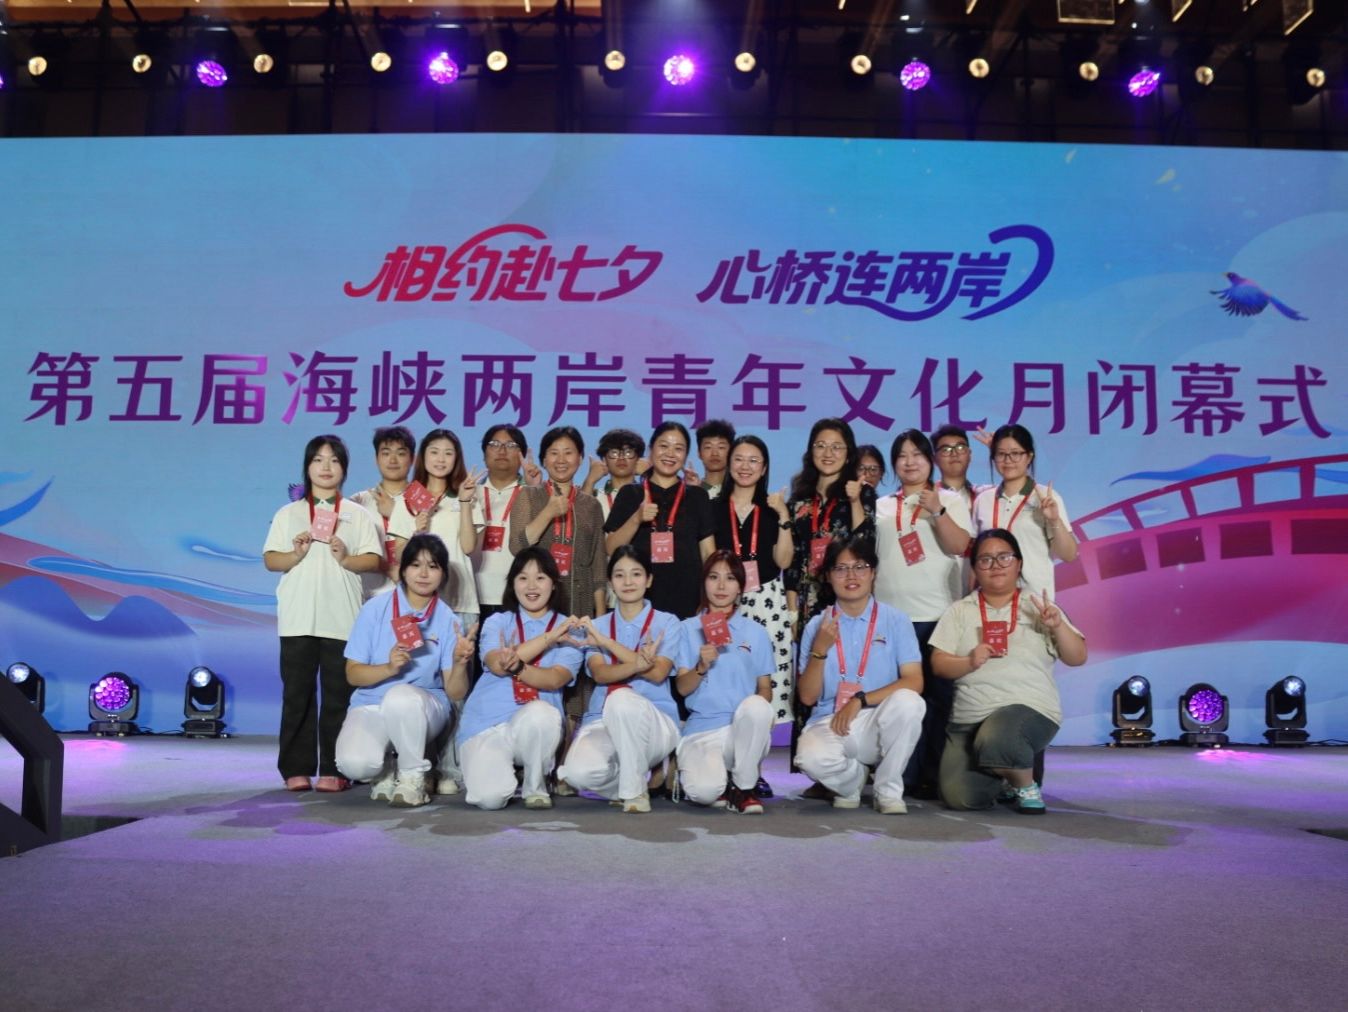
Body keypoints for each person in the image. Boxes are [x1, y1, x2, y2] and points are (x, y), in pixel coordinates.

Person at [930, 528, 1087, 814]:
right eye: (985, 560)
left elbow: (1077, 657)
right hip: (970, 718)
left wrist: (1058, 627)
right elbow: (938, 664)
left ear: (1019, 563)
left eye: (1004, 557)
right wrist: (969, 661)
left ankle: (1025, 784)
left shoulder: (1039, 607)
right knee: (960, 798)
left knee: (998, 738)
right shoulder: (959, 610)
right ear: (975, 568)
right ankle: (1006, 774)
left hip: (1027, 709)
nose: (995, 565)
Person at [263, 434, 383, 792]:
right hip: (298, 618)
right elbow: (271, 559)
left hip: (342, 617)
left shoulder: (357, 515)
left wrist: (346, 557)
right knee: (296, 696)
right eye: (318, 459)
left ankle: (335, 767)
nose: (326, 467)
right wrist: (296, 554)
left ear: (344, 468)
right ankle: (295, 768)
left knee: (337, 697)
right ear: (307, 467)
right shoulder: (288, 514)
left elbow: (374, 560)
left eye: (334, 460)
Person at [336, 534, 476, 807]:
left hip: (423, 708)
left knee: (401, 696)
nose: (423, 574)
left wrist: (460, 663)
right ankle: (387, 769)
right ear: (402, 569)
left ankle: (413, 778)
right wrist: (388, 668)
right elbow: (353, 674)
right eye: (415, 565)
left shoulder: (448, 620)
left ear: (443, 574)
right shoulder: (374, 609)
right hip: (372, 703)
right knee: (354, 764)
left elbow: (456, 692)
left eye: (433, 566)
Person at [874, 429, 974, 800]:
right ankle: (902, 775)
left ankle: (934, 775)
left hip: (938, 614)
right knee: (899, 701)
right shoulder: (882, 505)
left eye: (917, 454)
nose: (910, 461)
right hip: (892, 617)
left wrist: (937, 511)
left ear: (930, 460)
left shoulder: (949, 499)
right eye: (902, 456)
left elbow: (961, 546)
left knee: (937, 700)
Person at [795, 536, 925, 813]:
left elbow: (914, 681)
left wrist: (860, 700)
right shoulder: (817, 625)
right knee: (809, 759)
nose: (851, 576)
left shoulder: (896, 620)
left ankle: (888, 791)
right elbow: (807, 697)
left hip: (877, 719)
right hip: (830, 719)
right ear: (828, 576)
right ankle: (852, 780)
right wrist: (820, 650)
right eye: (841, 569)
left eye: (860, 567)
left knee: (910, 702)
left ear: (873, 572)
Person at [557, 547, 683, 813]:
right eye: (619, 575)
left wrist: (607, 643)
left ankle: (635, 792)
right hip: (602, 719)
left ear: (649, 580)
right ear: (610, 582)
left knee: (622, 700)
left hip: (655, 721)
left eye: (636, 574)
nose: (628, 582)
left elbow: (658, 672)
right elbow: (600, 673)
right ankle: (630, 779)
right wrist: (638, 663)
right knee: (578, 774)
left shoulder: (667, 622)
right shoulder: (597, 625)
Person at [461, 548, 583, 810]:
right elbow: (498, 665)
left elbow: (554, 679)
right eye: (523, 578)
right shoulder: (497, 622)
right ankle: (504, 774)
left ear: (553, 584)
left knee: (542, 713)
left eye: (540, 578)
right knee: (489, 799)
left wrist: (516, 664)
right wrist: (548, 638)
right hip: (486, 724)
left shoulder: (569, 629)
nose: (531, 586)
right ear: (512, 583)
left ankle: (535, 785)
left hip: (533, 723)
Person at [674, 552, 775, 814]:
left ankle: (743, 787)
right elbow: (682, 688)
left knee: (758, 707)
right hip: (702, 728)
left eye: (730, 578)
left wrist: (759, 716)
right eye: (713, 577)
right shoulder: (687, 629)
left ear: (740, 586)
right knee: (705, 792)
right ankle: (720, 782)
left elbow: (765, 688)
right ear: (704, 583)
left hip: (741, 729)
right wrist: (701, 666)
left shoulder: (756, 632)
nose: (721, 586)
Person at [714, 435, 794, 731]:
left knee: (766, 676)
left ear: (764, 469)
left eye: (753, 461)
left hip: (767, 601)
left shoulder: (773, 509)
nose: (745, 466)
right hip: (723, 599)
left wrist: (784, 515)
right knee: (725, 672)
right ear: (729, 464)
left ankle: (758, 753)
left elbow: (783, 561)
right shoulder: (713, 508)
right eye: (738, 459)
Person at [605, 421, 716, 620]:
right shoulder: (630, 493)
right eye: (664, 446)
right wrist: (637, 518)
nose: (670, 454)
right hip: (639, 599)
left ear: (686, 455)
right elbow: (611, 548)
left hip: (689, 599)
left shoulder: (697, 496)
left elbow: (708, 553)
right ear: (651, 450)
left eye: (678, 449)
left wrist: (709, 598)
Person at [784, 417, 877, 635]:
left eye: (836, 447)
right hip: (807, 601)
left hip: (847, 596)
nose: (828, 453)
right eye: (821, 446)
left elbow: (864, 545)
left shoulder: (862, 493)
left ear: (848, 455)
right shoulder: (799, 499)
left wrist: (855, 501)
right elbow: (793, 562)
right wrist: (792, 612)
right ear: (811, 451)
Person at [388, 428, 486, 632]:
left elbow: (468, 547)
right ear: (423, 456)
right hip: (416, 603)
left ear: (456, 458)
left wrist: (464, 501)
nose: (441, 459)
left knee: (459, 654)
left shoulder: (467, 496)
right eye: (434, 452)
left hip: (460, 602)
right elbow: (398, 554)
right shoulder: (406, 499)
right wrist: (417, 533)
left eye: (448, 453)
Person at [508, 425, 608, 619]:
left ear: (580, 458)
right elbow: (516, 547)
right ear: (544, 460)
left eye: (568, 453)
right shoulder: (528, 495)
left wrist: (601, 617)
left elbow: (598, 565)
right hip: (538, 601)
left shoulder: (591, 505)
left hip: (580, 602)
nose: (561, 460)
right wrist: (548, 512)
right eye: (554, 453)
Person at [971, 424, 1077, 597]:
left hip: (1034, 601)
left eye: (1016, 453)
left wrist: (1054, 520)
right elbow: (976, 556)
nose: (1008, 460)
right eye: (1001, 454)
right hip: (992, 600)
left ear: (1029, 456)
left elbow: (1069, 555)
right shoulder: (983, 500)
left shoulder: (1046, 497)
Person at [471, 425, 529, 639]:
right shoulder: (468, 493)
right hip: (472, 597)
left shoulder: (532, 494)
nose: (502, 450)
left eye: (511, 445)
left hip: (517, 597)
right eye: (494, 444)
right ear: (484, 454)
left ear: (522, 456)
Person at [350, 425, 415, 599]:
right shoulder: (358, 502)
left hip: (414, 598)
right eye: (386, 453)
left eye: (400, 453)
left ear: (412, 459)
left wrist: (396, 514)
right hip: (368, 597)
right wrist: (386, 566)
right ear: (376, 459)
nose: (393, 460)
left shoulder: (424, 501)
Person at [582, 427, 646, 523]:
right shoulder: (595, 496)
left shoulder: (647, 494)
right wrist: (590, 481)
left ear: (638, 459)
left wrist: (650, 476)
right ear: (604, 460)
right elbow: (580, 522)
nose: (621, 458)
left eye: (628, 453)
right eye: (614, 453)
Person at [930, 425, 984, 513]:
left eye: (960, 448)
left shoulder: (984, 494)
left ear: (969, 455)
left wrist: (997, 449)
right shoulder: (928, 496)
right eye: (946, 450)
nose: (954, 454)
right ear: (934, 459)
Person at [695, 419, 736, 499]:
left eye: (721, 447)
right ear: (699, 453)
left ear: (732, 452)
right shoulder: (691, 491)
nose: (714, 453)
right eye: (708, 447)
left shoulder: (739, 492)